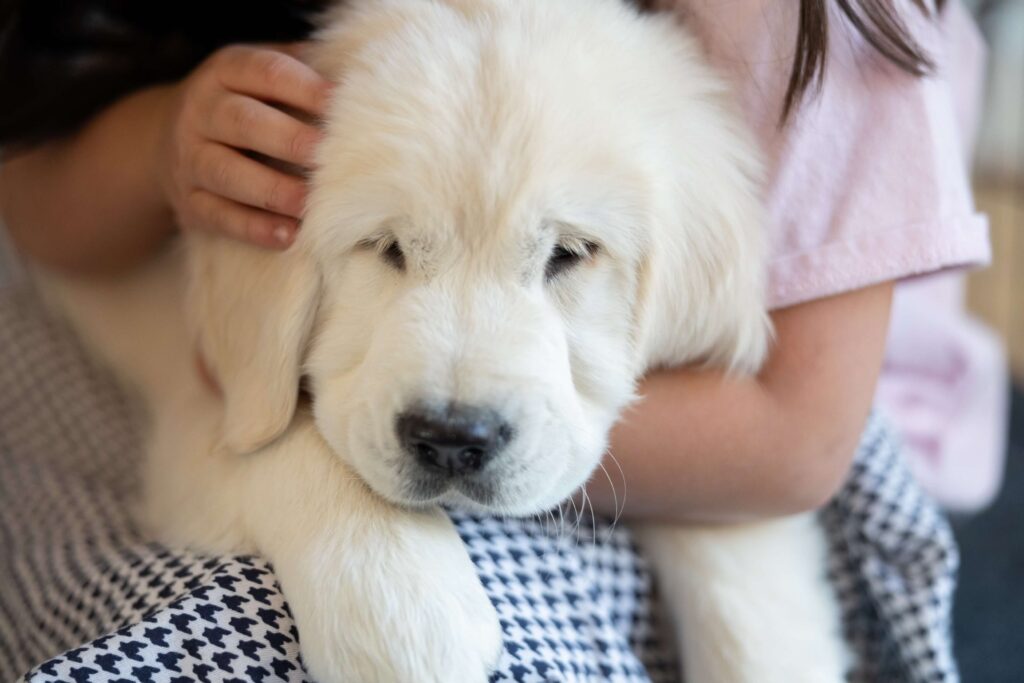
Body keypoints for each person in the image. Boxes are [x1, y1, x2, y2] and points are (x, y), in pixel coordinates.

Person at [0, 1, 999, 681]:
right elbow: (198, 358)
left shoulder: (795, 33)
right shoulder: (356, 75)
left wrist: (301, 399)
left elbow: (785, 443)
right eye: (390, 246)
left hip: (829, 445)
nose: (454, 398)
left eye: (563, 255)